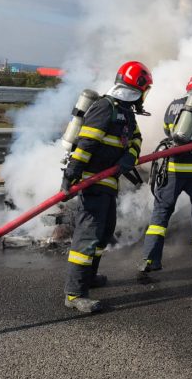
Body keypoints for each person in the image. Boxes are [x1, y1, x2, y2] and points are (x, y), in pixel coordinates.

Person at [61, 61, 152, 313]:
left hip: (108, 182)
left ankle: (89, 277)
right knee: (88, 236)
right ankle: (74, 293)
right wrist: (72, 173)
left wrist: (129, 157)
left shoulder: (125, 113)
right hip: (92, 181)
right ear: (139, 87)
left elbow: (136, 139)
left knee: (104, 231)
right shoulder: (104, 107)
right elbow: (87, 143)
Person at [139, 72, 192, 281]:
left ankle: (150, 260)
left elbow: (168, 132)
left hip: (173, 171)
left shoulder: (173, 106)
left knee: (160, 216)